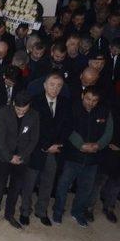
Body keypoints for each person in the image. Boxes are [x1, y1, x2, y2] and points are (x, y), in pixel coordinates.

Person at [53, 87, 114, 227]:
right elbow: (67, 128)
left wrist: (98, 145)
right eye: (88, 99)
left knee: (86, 188)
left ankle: (77, 212)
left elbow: (108, 132)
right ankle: (58, 211)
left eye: (94, 100)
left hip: (93, 158)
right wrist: (80, 145)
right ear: (82, 95)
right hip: (73, 156)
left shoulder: (104, 111)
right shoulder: (72, 108)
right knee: (63, 185)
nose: (90, 103)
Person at [20, 72, 71, 226]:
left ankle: (41, 211)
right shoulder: (34, 102)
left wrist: (57, 145)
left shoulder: (65, 103)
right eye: (52, 85)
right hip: (36, 149)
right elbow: (30, 128)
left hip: (55, 150)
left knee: (47, 183)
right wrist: (46, 146)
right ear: (44, 86)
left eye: (58, 86)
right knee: (29, 183)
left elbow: (68, 127)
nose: (55, 88)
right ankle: (24, 211)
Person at [0, 91, 39, 228]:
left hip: (22, 159)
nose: (21, 113)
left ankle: (9, 215)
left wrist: (21, 156)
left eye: (24, 110)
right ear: (14, 104)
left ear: (29, 106)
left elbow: (34, 139)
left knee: (15, 189)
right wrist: (10, 157)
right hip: (3, 157)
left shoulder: (34, 115)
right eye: (18, 110)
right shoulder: (4, 112)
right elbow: (0, 136)